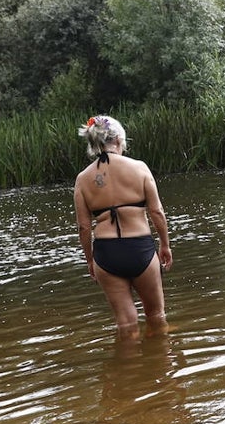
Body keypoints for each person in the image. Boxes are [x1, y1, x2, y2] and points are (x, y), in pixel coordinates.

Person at [74, 115, 173, 337]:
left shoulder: (82, 179)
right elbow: (156, 212)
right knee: (156, 316)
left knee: (126, 325)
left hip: (106, 254)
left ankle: (127, 369)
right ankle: (159, 369)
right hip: (140, 249)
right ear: (118, 140)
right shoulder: (139, 168)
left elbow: (83, 227)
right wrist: (165, 245)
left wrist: (90, 260)